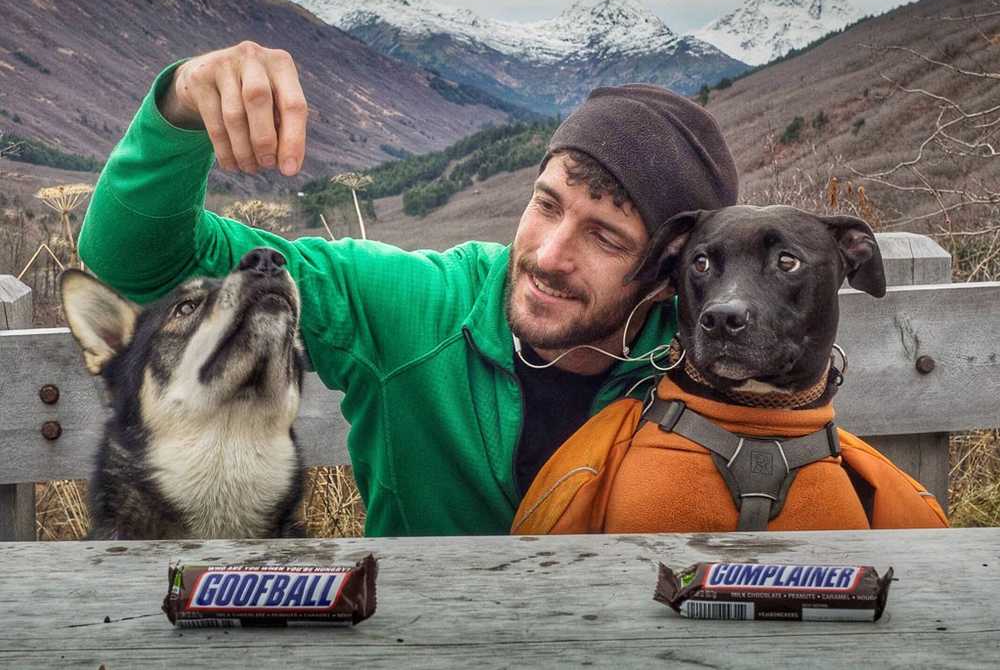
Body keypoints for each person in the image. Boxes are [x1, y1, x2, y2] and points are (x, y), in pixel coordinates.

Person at [78, 41, 739, 536]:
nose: (549, 254)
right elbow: (135, 261)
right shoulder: (415, 308)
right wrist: (181, 104)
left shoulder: (710, 358)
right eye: (546, 204)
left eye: (606, 238)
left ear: (666, 275)